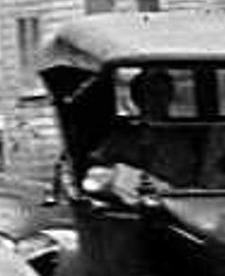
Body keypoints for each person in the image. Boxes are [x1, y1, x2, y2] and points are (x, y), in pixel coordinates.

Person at [79, 68, 186, 205]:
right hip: (129, 208)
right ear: (136, 98)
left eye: (161, 94)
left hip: (174, 204)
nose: (155, 101)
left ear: (170, 96)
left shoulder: (181, 137)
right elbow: (96, 172)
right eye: (148, 94)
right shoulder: (121, 137)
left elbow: (184, 180)